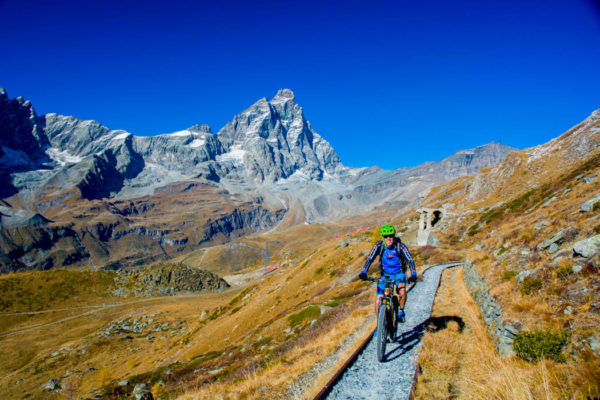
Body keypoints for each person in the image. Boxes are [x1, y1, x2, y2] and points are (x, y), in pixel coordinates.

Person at [359, 224, 417, 324]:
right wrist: (364, 271)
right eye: (386, 236)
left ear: (394, 236)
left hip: (399, 274)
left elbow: (410, 260)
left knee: (402, 292)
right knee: (378, 300)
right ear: (382, 237)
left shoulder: (400, 246)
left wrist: (413, 274)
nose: (388, 238)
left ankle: (401, 311)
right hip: (385, 275)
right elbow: (370, 258)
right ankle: (379, 325)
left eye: (391, 235)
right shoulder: (379, 245)